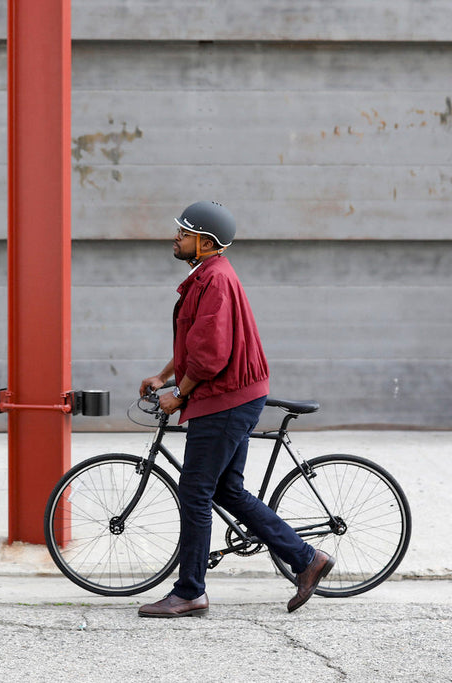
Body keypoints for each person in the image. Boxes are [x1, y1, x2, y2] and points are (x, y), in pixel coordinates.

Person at [137, 200, 334, 618]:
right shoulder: (206, 275)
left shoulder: (215, 280)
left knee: (195, 491)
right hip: (234, 394)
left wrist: (179, 395)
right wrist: (164, 376)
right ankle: (306, 559)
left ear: (205, 243)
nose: (176, 237)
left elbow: (209, 357)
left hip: (226, 399)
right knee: (226, 489)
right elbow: (194, 343)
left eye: (184, 233)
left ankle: (190, 591)